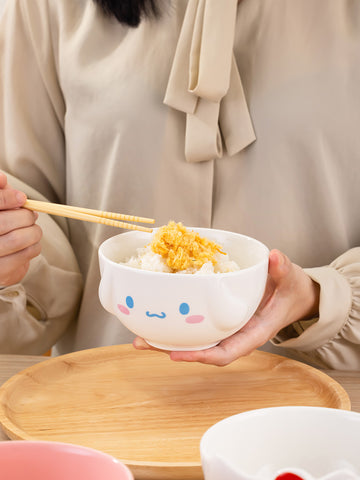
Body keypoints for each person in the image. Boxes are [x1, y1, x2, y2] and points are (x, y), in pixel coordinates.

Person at [0, 0, 359, 369]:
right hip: (107, 401)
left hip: (322, 410)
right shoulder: (41, 9)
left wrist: (325, 298)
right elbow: (29, 209)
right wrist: (13, 262)